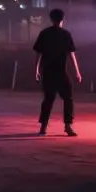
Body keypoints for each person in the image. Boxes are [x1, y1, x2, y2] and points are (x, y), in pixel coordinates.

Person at [32, 8, 82, 137]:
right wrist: (77, 71)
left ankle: (43, 127)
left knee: (48, 99)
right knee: (68, 98)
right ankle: (68, 125)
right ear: (63, 19)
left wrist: (36, 70)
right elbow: (71, 55)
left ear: (51, 19)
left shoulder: (44, 33)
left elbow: (38, 54)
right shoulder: (66, 34)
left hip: (48, 72)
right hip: (62, 72)